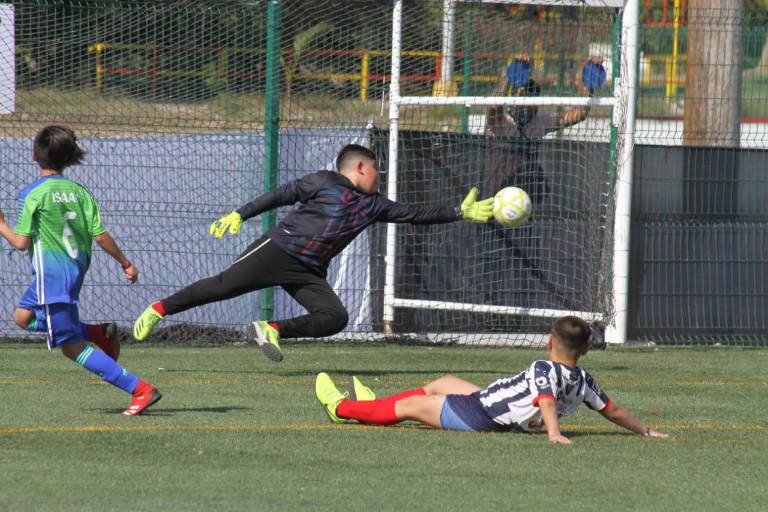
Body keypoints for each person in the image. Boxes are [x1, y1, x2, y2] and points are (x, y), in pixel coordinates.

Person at [132, 143, 494, 362]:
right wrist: (240, 214)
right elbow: (281, 195)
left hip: (307, 270)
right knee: (220, 286)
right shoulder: (323, 181)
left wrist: (459, 211)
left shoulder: (374, 205)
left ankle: (269, 329)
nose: (378, 176)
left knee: (334, 317)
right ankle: (158, 309)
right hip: (277, 250)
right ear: (360, 167)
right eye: (375, 171)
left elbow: (415, 215)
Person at [0, 125, 161, 416]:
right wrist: (125, 263)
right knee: (22, 317)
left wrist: (0, 224)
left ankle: (140, 389)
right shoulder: (80, 192)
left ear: (34, 154)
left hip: (52, 277)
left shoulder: (32, 194)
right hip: (73, 271)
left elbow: (21, 243)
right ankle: (98, 333)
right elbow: (99, 235)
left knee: (72, 348)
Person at [315, 316, 668, 444]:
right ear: (584, 351)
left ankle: (341, 408)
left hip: (479, 414)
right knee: (442, 381)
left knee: (410, 406)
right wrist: (645, 430)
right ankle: (375, 405)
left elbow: (545, 400)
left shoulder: (544, 369)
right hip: (487, 400)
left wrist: (555, 433)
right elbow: (612, 409)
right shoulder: (584, 378)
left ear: (549, 343)